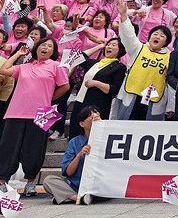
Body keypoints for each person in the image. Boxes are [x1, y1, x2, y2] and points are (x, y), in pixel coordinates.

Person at [0, 38, 69, 197]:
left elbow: (65, 86)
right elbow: (4, 69)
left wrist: (49, 99)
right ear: (36, 48)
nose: (45, 47)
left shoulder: (56, 66)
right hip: (16, 111)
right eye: (43, 45)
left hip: (43, 113)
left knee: (35, 149)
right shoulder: (24, 66)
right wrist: (18, 53)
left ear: (53, 51)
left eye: (50, 46)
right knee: (8, 147)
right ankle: (3, 181)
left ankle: (30, 182)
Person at [114, 0, 173, 121]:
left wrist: (170, 106)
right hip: (132, 93)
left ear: (166, 42)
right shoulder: (138, 48)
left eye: (162, 36)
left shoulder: (170, 57)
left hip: (153, 98)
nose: (157, 36)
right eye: (155, 34)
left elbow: (170, 81)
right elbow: (129, 35)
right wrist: (124, 15)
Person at [42, 105, 102, 205]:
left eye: (97, 116)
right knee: (48, 181)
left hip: (97, 186)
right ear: (82, 124)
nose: (94, 119)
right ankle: (79, 198)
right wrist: (80, 155)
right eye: (91, 117)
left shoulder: (106, 138)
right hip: (75, 185)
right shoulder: (74, 142)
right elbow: (68, 172)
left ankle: (67, 197)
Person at [68, 37, 126, 138]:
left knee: (91, 135)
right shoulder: (95, 63)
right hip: (80, 102)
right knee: (75, 131)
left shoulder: (119, 67)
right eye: (108, 44)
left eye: (113, 45)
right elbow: (78, 57)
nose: (109, 46)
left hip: (97, 106)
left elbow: (114, 89)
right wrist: (99, 46)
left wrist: (96, 83)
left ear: (120, 50)